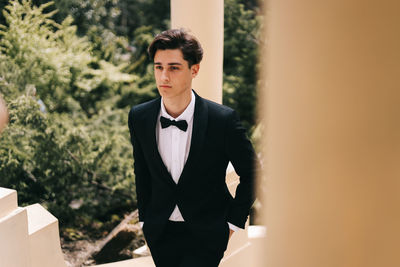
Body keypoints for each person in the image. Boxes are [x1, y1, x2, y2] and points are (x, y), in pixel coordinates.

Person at [128, 28, 256, 267]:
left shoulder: (222, 120)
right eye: (158, 67)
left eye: (173, 68)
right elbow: (142, 172)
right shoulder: (139, 117)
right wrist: (145, 221)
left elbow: (252, 173)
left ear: (194, 69)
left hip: (208, 234)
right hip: (160, 233)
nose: (164, 76)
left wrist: (231, 225)